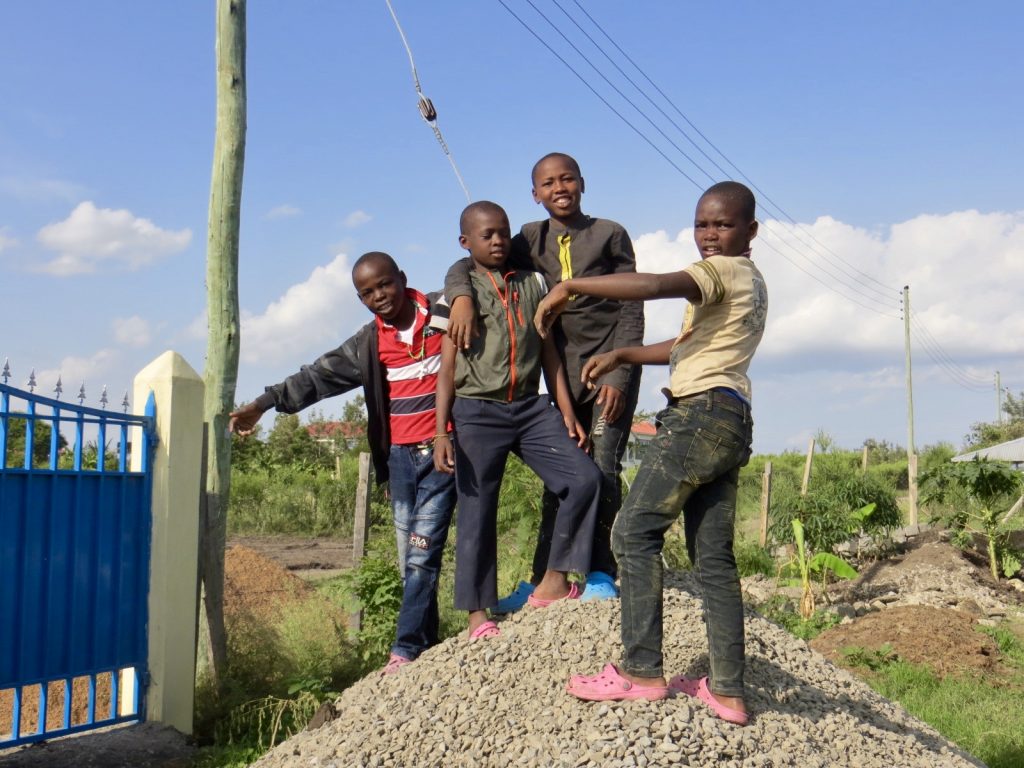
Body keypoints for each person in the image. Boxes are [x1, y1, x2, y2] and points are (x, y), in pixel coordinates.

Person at [535, 182, 767, 725]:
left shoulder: (720, 271)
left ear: (750, 231)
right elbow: (684, 348)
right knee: (714, 559)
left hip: (698, 417)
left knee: (632, 534)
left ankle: (641, 673)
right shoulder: (749, 284)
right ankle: (728, 691)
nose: (710, 234)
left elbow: (658, 284)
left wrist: (572, 285)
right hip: (730, 418)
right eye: (702, 224)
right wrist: (621, 351)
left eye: (723, 225)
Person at [229, 251, 456, 676]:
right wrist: (262, 404)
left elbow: (472, 285)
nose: (379, 297)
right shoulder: (369, 342)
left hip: (445, 453)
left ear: (403, 279)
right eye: (367, 293)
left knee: (423, 555)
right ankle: (427, 646)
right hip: (401, 462)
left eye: (385, 285)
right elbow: (318, 375)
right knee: (411, 557)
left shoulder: (443, 311)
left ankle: (404, 649)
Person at [443, 152, 644, 609]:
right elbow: (469, 258)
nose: (560, 189)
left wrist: (619, 371)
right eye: (548, 183)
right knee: (562, 475)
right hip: (557, 375)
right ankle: (545, 580)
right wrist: (459, 297)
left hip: (608, 371)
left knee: (603, 469)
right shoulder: (528, 239)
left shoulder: (609, 234)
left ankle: (598, 571)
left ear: (582, 183)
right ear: (535, 195)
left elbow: (633, 304)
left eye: (567, 179)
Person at [432, 200, 601, 639]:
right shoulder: (455, 291)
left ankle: (553, 579)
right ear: (465, 242)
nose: (498, 241)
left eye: (503, 232)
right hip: (476, 412)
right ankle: (478, 615)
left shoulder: (533, 283)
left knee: (583, 478)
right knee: (477, 511)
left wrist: (566, 412)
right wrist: (440, 431)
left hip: (529, 408)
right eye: (486, 235)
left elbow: (548, 353)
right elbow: (446, 370)